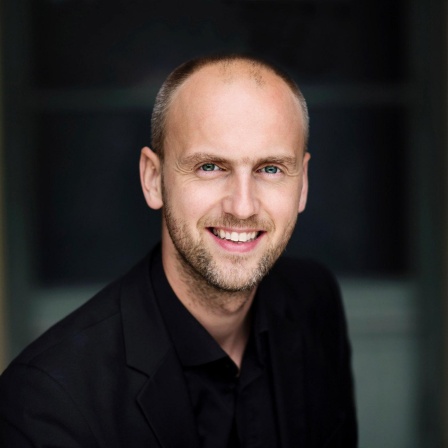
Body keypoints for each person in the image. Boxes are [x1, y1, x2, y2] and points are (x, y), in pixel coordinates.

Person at [0, 54, 357, 447]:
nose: (242, 207)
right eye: (210, 167)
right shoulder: (47, 403)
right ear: (153, 179)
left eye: (270, 169)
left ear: (302, 183)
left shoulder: (314, 301)